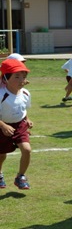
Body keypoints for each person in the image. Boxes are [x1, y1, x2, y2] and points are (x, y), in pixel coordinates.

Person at [0, 59, 33, 189]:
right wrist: (3, 125)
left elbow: (23, 108)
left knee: (27, 150)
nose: (22, 80)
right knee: (2, 155)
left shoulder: (26, 93)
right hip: (2, 126)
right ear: (6, 78)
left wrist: (27, 119)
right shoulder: (1, 94)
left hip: (20, 125)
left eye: (24, 77)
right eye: (17, 76)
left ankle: (20, 176)